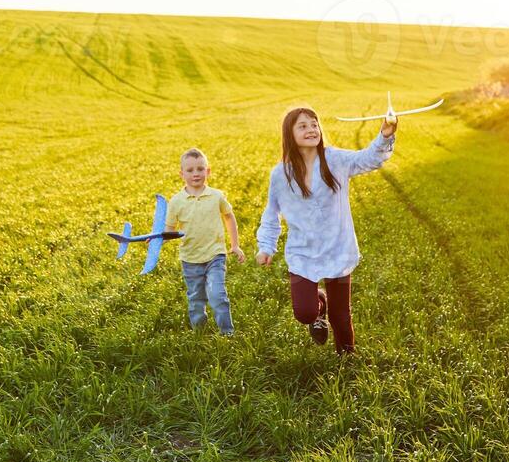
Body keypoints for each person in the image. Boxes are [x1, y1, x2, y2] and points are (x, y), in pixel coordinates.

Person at [255, 107, 397, 353]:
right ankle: (320, 304)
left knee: (341, 316)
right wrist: (266, 246)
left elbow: (369, 158)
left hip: (337, 248)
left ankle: (347, 360)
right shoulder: (280, 174)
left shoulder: (336, 160)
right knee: (304, 313)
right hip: (302, 253)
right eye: (303, 126)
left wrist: (385, 134)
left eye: (314, 124)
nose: (311, 129)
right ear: (289, 134)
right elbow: (271, 213)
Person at [167, 148, 245, 335]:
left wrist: (235, 245)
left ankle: (227, 334)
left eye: (200, 169)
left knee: (218, 295)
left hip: (215, 255)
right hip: (190, 259)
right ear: (182, 174)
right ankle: (199, 333)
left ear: (208, 171)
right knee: (196, 299)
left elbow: (229, 217)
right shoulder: (176, 201)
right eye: (190, 170)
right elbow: (169, 231)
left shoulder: (216, 196)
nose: (196, 174)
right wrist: (157, 241)